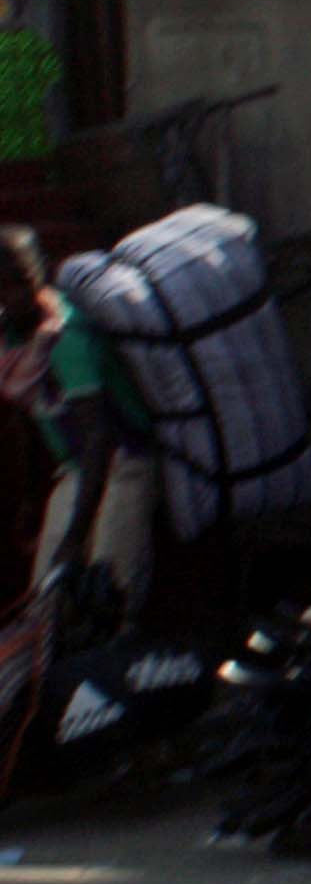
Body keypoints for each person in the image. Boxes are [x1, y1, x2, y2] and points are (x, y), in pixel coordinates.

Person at [0, 227, 149, 634]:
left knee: (110, 594)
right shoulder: (13, 341)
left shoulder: (65, 336)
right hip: (78, 468)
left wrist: (74, 538)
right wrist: (33, 496)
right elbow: (27, 415)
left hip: (121, 462)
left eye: (19, 283)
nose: (9, 297)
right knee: (43, 605)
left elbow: (100, 437)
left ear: (41, 276)